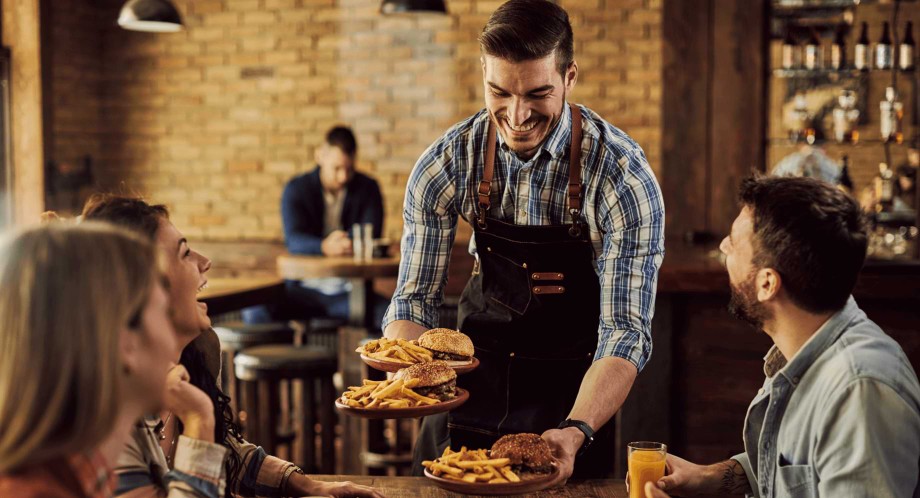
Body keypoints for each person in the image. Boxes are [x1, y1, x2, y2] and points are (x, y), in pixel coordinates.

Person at [383, 0, 665, 480]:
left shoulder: (621, 175)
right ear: (483, 74)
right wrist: (413, 380)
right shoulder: (447, 163)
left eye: (538, 93)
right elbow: (413, 302)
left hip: (572, 405)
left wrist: (577, 429)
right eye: (500, 92)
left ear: (569, 77)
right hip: (468, 395)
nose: (516, 115)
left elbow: (625, 331)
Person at [81, 195, 384, 498]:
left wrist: (309, 486)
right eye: (185, 253)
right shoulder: (104, 422)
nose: (204, 262)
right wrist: (199, 420)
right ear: (140, 289)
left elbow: (226, 454)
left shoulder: (197, 355)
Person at [643, 176, 920, 497]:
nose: (723, 247)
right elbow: (801, 465)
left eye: (733, 242)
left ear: (767, 284)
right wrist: (713, 476)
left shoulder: (859, 392)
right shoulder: (809, 348)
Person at [0, 223, 226, 497]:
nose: (172, 333)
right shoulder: (39, 490)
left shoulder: (82, 473)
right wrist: (200, 418)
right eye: (162, 310)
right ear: (124, 341)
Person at [244, 126, 387, 328]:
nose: (344, 177)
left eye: (349, 169)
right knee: (255, 311)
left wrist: (348, 245)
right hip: (303, 290)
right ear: (320, 156)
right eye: (337, 168)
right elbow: (294, 240)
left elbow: (371, 235)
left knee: (392, 317)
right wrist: (324, 247)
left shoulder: (368, 188)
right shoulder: (296, 188)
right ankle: (287, 358)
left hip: (351, 292)